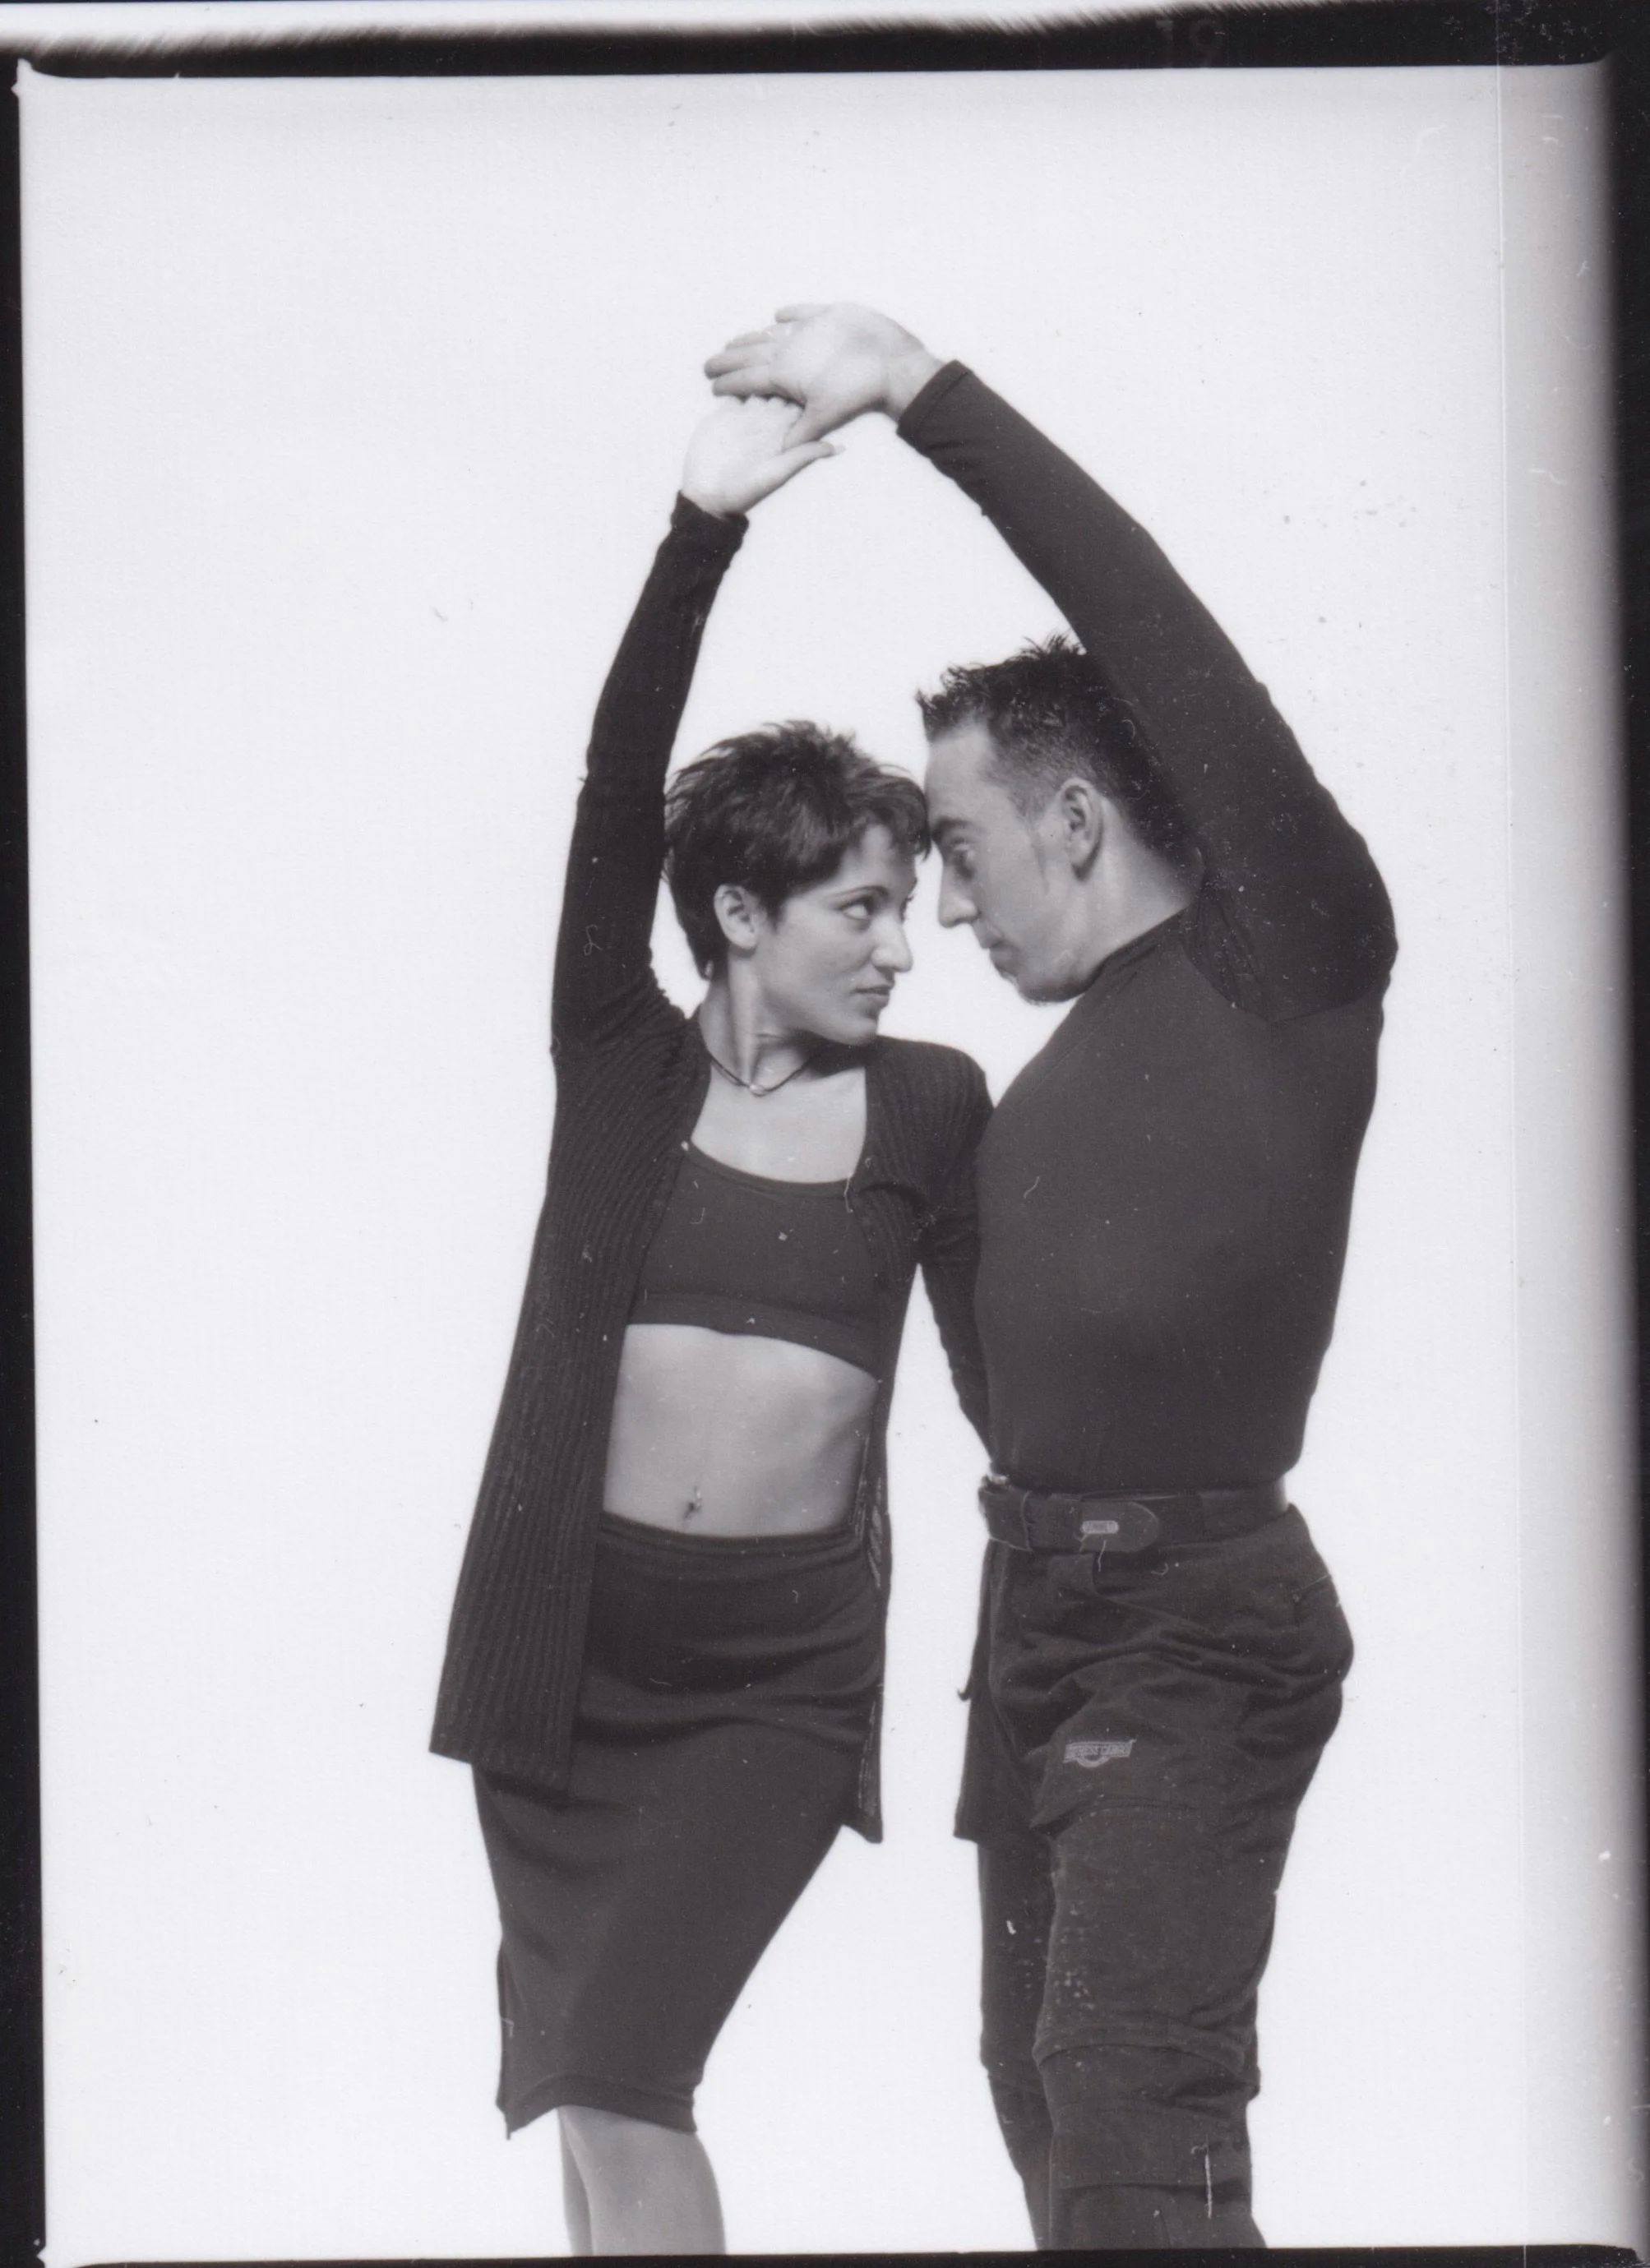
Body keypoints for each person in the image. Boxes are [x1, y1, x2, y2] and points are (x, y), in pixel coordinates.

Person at [709, 304, 1398, 2248]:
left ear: (1077, 816)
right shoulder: (1021, 1102)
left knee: (1124, 2097)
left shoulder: (1286, 957)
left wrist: (920, 391)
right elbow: (1015, 1400)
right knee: (1040, 2089)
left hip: (1192, 1626)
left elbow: (1151, 626)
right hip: (1035, 1620)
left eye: (956, 849)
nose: (941, 905)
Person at [429, 390, 991, 2254]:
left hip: (771, 1681)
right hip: (566, 1662)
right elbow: (617, 793)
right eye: (861, 906)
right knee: (584, 2088)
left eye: (906, 908)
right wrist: (699, 535)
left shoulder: (931, 1107)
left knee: (625, 2069)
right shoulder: (618, 1059)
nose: (898, 946)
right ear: (740, 913)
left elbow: (1009, 1372)